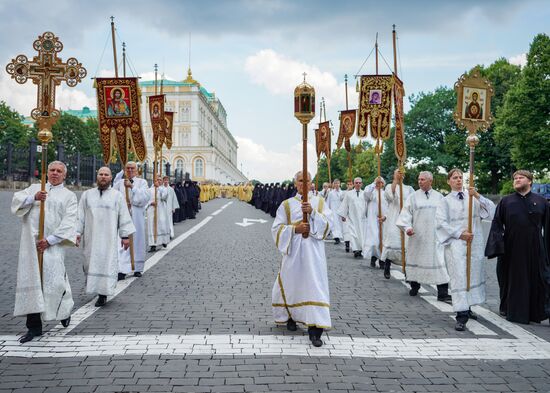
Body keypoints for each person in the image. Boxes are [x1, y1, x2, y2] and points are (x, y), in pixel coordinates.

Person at [11, 161, 77, 343]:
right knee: (32, 283)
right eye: (52, 170)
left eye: (59, 171)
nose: (55, 173)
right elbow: (16, 202)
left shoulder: (69, 196)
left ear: (64, 175)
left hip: (52, 245)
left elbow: (70, 221)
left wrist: (50, 240)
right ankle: (33, 327)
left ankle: (63, 311)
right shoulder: (35, 188)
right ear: (47, 172)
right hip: (31, 246)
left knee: (55, 282)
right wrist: (34, 198)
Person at [271, 171, 332, 347]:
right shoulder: (287, 205)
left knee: (314, 286)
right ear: (295, 183)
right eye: (300, 181)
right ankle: (291, 316)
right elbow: (276, 228)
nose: (304, 184)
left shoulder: (319, 203)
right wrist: (295, 230)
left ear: (312, 183)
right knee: (292, 284)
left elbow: (329, 225)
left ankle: (315, 329)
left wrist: (312, 213)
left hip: (314, 253)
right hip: (294, 252)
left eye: (307, 181)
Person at [485, 170, 550, 324]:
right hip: (511, 248)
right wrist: (497, 246)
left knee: (539, 279)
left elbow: (548, 228)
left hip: (535, 249)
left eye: (521, 178)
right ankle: (508, 308)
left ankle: (537, 312)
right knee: (509, 279)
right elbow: (497, 224)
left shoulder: (542, 202)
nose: (517, 180)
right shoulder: (506, 201)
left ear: (530, 181)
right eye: (515, 178)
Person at [436, 168, 494, 331]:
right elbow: (440, 223)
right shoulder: (445, 201)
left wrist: (477, 195)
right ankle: (461, 314)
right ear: (449, 181)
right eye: (455, 178)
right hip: (456, 244)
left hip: (473, 244)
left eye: (461, 177)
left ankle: (468, 306)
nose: (459, 180)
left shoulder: (472, 198)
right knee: (459, 275)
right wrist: (459, 234)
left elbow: (491, 212)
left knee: (472, 274)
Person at [76, 167, 136, 307]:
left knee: (106, 263)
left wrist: (125, 236)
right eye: (101, 174)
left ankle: (103, 294)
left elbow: (123, 216)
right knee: (89, 263)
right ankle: (95, 288)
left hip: (108, 239)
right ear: (97, 177)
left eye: (106, 175)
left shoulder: (117, 196)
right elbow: (80, 216)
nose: (103, 177)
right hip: (91, 238)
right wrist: (77, 233)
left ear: (110, 178)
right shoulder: (87, 195)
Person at [396, 171, 451, 301]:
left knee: (439, 262)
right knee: (416, 260)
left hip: (434, 237)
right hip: (417, 237)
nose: (420, 181)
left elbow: (446, 216)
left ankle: (442, 293)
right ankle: (414, 286)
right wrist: (408, 228)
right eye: (419, 179)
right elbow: (405, 215)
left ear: (430, 181)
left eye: (423, 179)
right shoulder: (412, 197)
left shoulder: (439, 197)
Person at [113, 161, 150, 279]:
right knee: (123, 241)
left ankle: (137, 267)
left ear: (136, 170)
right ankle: (122, 269)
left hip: (136, 215)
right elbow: (113, 196)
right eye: (127, 168)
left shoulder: (142, 182)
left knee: (137, 240)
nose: (129, 171)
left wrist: (132, 187)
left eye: (132, 168)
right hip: (123, 215)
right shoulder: (119, 183)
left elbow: (144, 198)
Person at [381, 169, 414, 279]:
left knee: (406, 246)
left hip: (406, 220)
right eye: (397, 174)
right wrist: (395, 180)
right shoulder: (389, 186)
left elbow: (413, 203)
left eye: (401, 174)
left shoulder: (409, 189)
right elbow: (390, 196)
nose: (400, 176)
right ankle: (387, 264)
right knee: (393, 243)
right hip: (394, 219)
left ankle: (407, 272)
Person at [338, 177, 368, 258]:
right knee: (353, 233)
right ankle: (355, 250)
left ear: (361, 184)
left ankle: (361, 249)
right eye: (356, 182)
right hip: (352, 217)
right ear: (354, 184)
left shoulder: (365, 194)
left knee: (362, 234)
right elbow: (345, 204)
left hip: (362, 218)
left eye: (359, 183)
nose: (358, 184)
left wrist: (368, 215)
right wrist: (343, 215)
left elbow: (368, 205)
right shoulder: (349, 194)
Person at [364, 177, 387, 267]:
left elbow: (389, 207)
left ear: (383, 184)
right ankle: (374, 257)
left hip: (383, 220)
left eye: (380, 182)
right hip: (373, 219)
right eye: (377, 182)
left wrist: (385, 216)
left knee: (383, 240)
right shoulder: (372, 193)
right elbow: (366, 195)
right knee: (374, 240)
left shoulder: (385, 194)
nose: (379, 184)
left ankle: (382, 260)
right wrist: (373, 184)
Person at [147, 177, 170, 252]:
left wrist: (158, 188)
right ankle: (153, 244)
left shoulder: (164, 189)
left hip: (161, 209)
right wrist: (150, 203)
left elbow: (164, 197)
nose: (158, 181)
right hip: (151, 210)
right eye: (157, 180)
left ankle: (163, 241)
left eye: (160, 180)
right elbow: (145, 200)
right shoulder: (149, 190)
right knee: (151, 227)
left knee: (162, 226)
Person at [326, 179, 344, 245]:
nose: (337, 185)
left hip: (340, 210)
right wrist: (328, 211)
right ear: (333, 184)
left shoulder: (342, 193)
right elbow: (328, 202)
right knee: (335, 225)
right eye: (335, 183)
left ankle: (341, 236)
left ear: (340, 184)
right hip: (333, 211)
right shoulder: (331, 193)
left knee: (340, 224)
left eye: (338, 183)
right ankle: (336, 238)